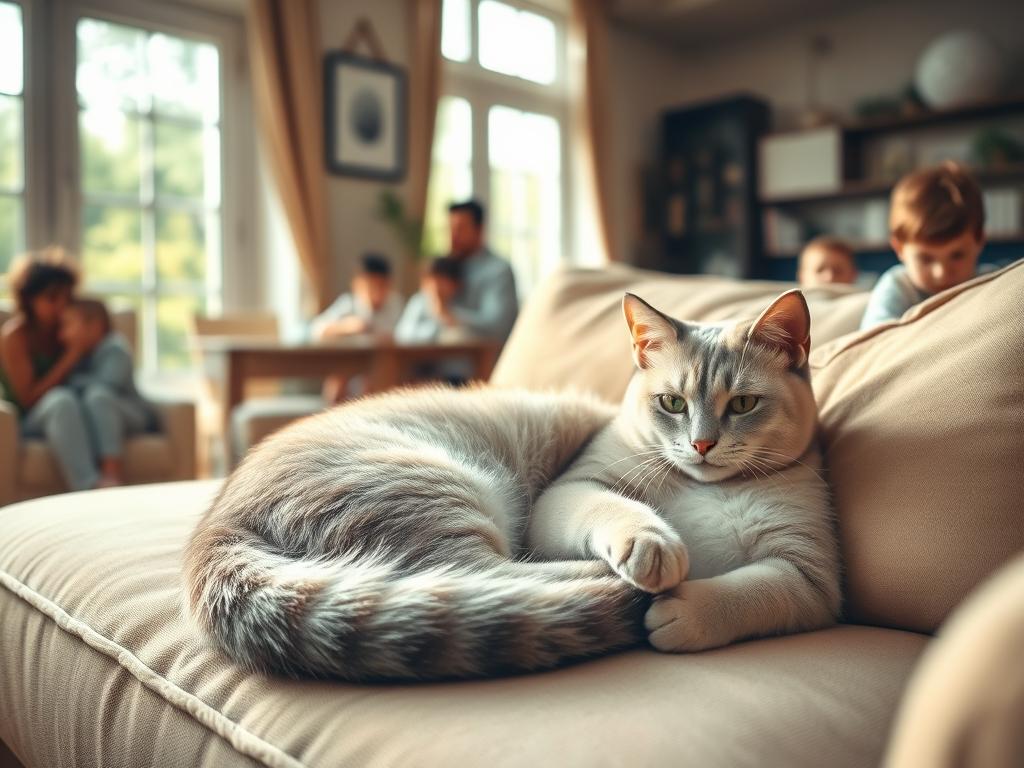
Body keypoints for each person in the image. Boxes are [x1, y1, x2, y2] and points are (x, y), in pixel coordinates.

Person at [0, 248, 101, 491]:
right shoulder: (15, 337)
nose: (61, 306)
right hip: (28, 419)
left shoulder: (68, 329)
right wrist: (71, 356)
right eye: (52, 298)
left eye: (67, 298)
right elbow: (28, 399)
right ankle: (89, 487)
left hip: (75, 412)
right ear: (29, 299)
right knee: (60, 401)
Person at [860, 162, 985, 330]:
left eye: (957, 255)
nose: (941, 273)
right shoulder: (898, 287)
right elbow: (877, 340)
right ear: (899, 248)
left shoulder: (993, 283)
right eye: (925, 258)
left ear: (980, 241)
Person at [61, 298, 157, 487]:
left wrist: (72, 380)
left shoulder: (115, 348)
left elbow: (108, 384)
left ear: (95, 327)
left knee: (98, 397)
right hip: (103, 412)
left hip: (132, 413)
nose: (63, 334)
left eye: (69, 325)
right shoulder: (79, 354)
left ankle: (112, 472)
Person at [424, 200, 518, 342]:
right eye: (449, 229)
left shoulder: (498, 271)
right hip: (438, 351)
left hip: (481, 353)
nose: (453, 236)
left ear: (479, 229)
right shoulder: (442, 269)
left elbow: (498, 326)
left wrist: (450, 316)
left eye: (460, 229)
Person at [311, 253, 402, 340]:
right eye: (370, 287)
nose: (376, 293)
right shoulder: (348, 304)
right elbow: (316, 329)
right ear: (356, 285)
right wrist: (346, 327)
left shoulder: (395, 303)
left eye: (381, 286)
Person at [395, 257, 466, 344]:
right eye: (431, 281)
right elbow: (403, 335)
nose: (436, 287)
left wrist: (445, 316)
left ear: (455, 285)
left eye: (441, 282)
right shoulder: (419, 302)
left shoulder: (460, 303)